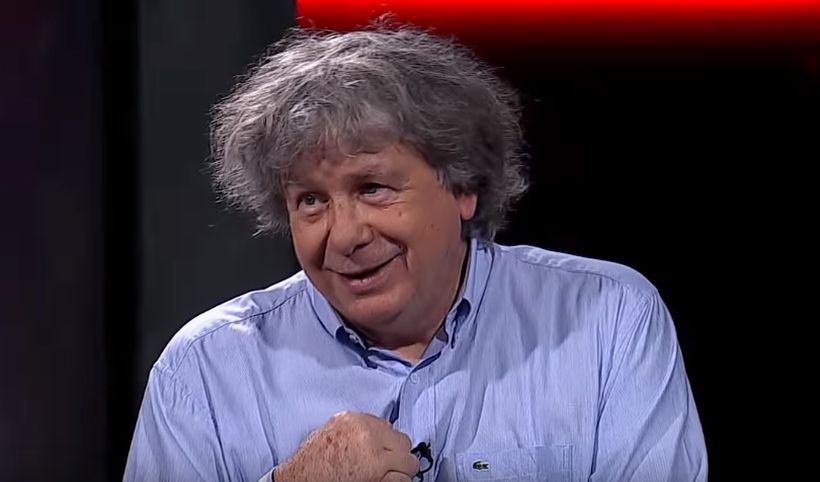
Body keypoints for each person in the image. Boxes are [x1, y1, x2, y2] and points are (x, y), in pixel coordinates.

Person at [124, 24, 707, 482]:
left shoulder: (607, 320)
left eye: (372, 188)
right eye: (310, 201)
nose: (344, 236)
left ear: (463, 186)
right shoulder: (205, 371)